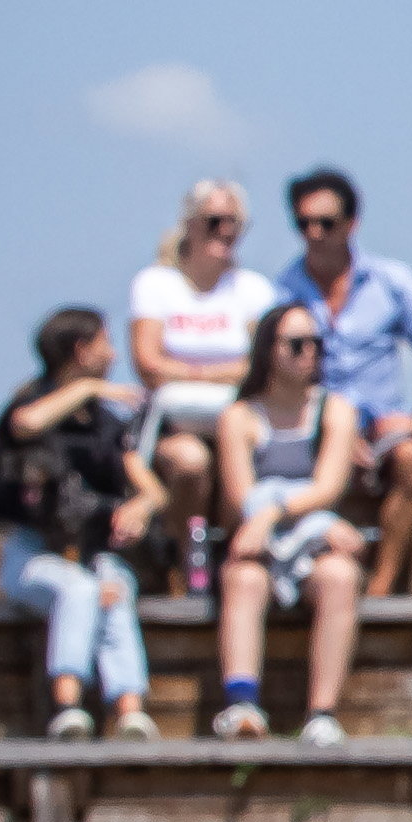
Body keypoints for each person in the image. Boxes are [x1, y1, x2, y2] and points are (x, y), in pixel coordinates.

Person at [273, 168, 412, 596]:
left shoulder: (391, 283)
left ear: (351, 224)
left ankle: (382, 584)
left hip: (381, 432)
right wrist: (334, 430)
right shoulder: (280, 292)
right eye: (303, 224)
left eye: (326, 223)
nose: (314, 234)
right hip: (309, 428)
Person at [0, 308, 163, 739]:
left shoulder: (105, 423)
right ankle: (66, 704)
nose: (113, 353)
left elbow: (152, 488)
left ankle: (128, 708)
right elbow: (27, 424)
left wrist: (140, 508)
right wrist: (88, 387)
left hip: (92, 551)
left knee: (114, 588)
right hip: (33, 552)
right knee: (79, 589)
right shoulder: (29, 404)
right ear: (82, 350)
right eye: (105, 342)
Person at [210, 302, 365, 743]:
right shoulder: (238, 416)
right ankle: (241, 705)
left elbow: (328, 487)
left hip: (306, 540)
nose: (309, 353)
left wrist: (276, 511)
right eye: (297, 344)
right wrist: (297, 516)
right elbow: (242, 497)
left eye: (317, 343)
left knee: (340, 575)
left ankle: (322, 712)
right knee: (243, 578)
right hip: (265, 541)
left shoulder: (336, 410)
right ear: (269, 350)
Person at [128, 179, 276, 579]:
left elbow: (265, 366)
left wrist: (186, 370)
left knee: (235, 447)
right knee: (190, 462)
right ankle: (185, 562)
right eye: (214, 221)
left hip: (237, 420)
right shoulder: (156, 284)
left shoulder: (253, 290)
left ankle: (231, 555)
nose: (225, 231)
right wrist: (222, 372)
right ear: (190, 225)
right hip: (171, 423)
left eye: (235, 223)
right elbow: (147, 363)